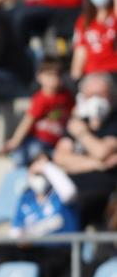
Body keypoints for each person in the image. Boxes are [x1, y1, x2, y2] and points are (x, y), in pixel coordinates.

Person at [0, 154, 79, 277]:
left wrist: (46, 166)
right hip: (31, 249)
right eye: (36, 170)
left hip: (57, 251)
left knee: (44, 266)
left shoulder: (60, 194)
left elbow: (69, 192)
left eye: (43, 170)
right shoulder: (26, 198)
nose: (39, 174)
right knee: (2, 251)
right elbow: (15, 231)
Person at [53, 72, 117, 226]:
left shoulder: (113, 121)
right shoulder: (76, 122)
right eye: (90, 94)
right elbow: (60, 158)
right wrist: (97, 164)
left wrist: (82, 133)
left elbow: (102, 152)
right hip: (70, 191)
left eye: (101, 94)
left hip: (102, 194)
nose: (96, 99)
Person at [1, 56, 74, 165]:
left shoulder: (66, 96)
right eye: (49, 75)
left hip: (57, 141)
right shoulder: (40, 99)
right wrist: (15, 141)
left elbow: (73, 114)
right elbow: (28, 120)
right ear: (39, 77)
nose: (54, 79)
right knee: (27, 154)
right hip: (37, 139)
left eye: (57, 75)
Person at [70, 0, 117, 81]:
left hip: (113, 70)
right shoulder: (84, 21)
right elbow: (80, 50)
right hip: (92, 73)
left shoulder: (113, 17)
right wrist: (76, 78)